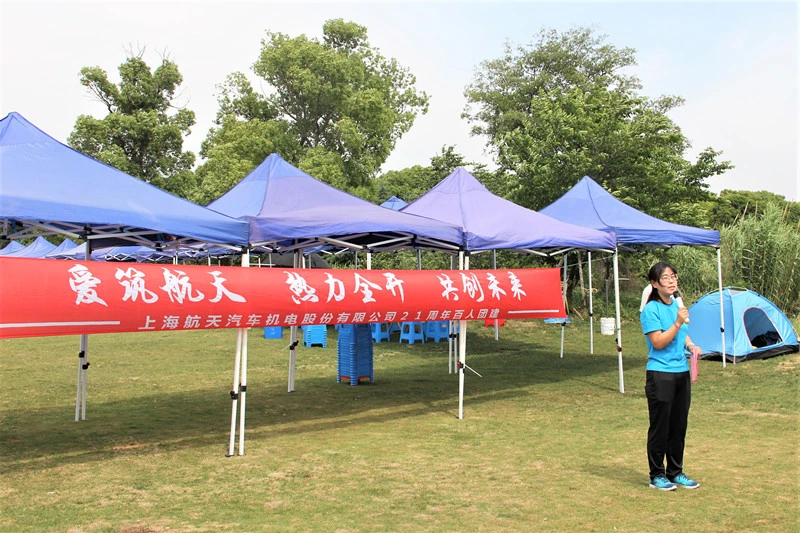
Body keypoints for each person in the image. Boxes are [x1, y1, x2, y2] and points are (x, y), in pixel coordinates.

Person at [640, 261, 702, 491]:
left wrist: (691, 345)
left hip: (681, 373)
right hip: (660, 374)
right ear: (654, 283)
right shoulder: (651, 310)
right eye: (665, 277)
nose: (671, 281)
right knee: (661, 427)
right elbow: (658, 342)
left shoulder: (677, 304)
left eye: (673, 276)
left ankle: (675, 472)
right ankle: (657, 475)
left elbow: (682, 335)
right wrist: (677, 322)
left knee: (678, 426)